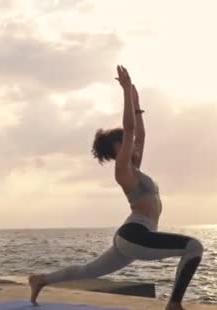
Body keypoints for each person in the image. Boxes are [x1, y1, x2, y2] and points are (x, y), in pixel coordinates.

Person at [28, 65, 204, 310]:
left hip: (132, 238)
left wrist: (137, 105)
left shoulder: (135, 168)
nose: (133, 144)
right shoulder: (123, 170)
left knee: (89, 270)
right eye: (125, 142)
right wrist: (124, 91)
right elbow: (132, 131)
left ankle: (41, 280)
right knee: (193, 247)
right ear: (117, 149)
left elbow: (140, 135)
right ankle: (173, 305)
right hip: (136, 235)